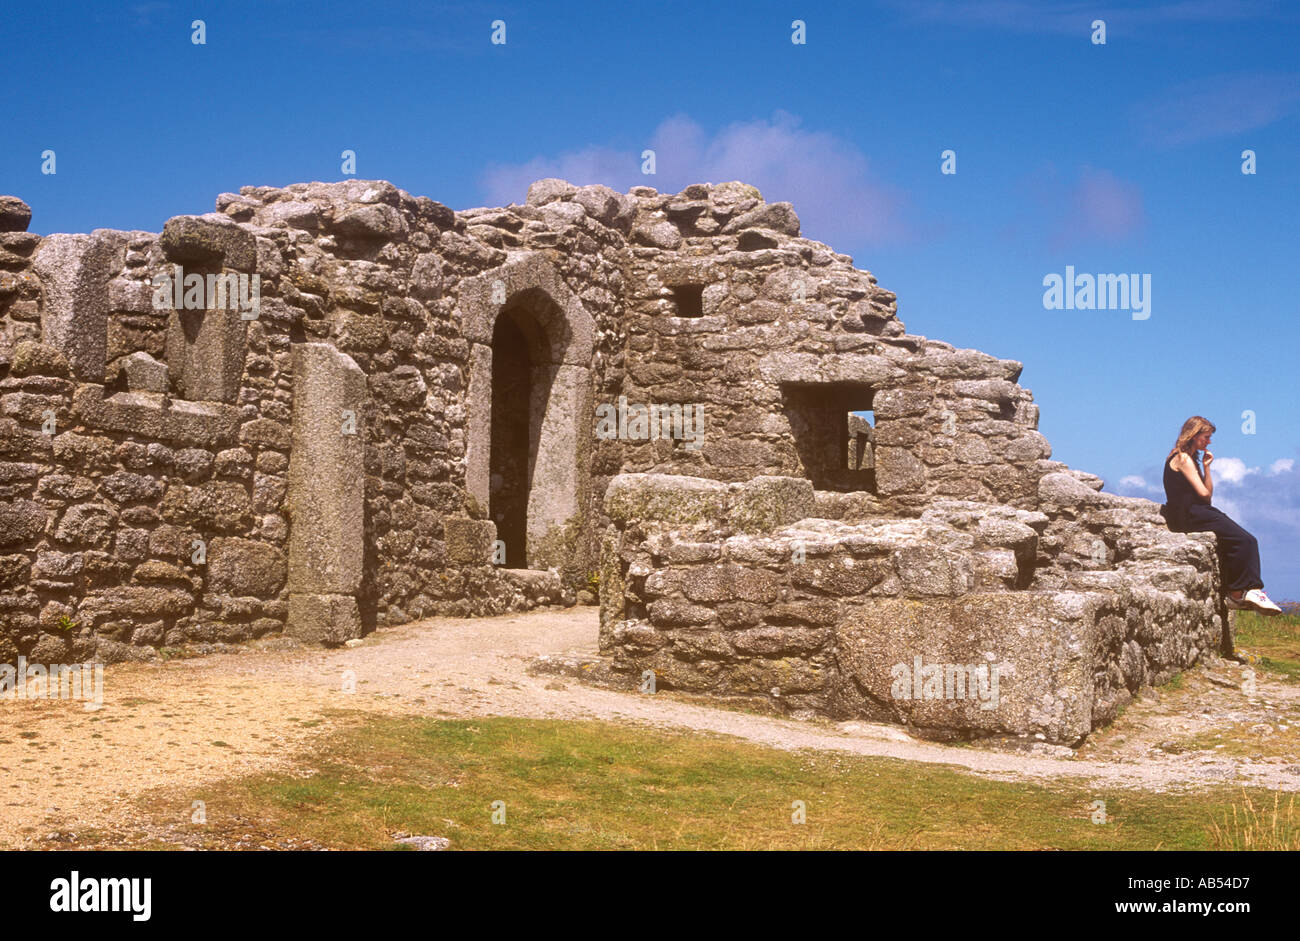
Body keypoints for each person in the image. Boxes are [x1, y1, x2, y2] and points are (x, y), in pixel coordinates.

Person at [1160, 416, 1282, 615]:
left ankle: (1244, 591)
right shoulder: (1182, 458)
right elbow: (1204, 495)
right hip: (1189, 514)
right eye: (1206, 437)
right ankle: (1242, 592)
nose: (1209, 442)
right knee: (1246, 540)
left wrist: (1207, 468)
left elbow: (1207, 497)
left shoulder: (1190, 459)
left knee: (1240, 540)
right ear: (1193, 435)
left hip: (1195, 511)